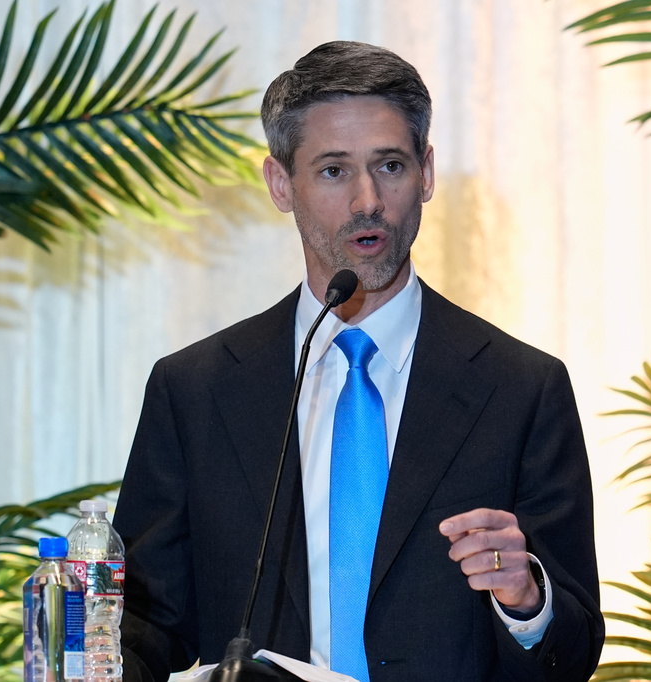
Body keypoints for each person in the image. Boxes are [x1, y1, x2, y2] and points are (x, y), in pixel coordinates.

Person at [112, 41, 604, 682]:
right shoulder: (195, 391)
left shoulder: (521, 389)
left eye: (391, 166)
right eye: (334, 171)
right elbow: (145, 628)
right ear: (280, 183)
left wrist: (527, 600)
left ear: (426, 173)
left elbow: (575, 648)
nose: (368, 200)